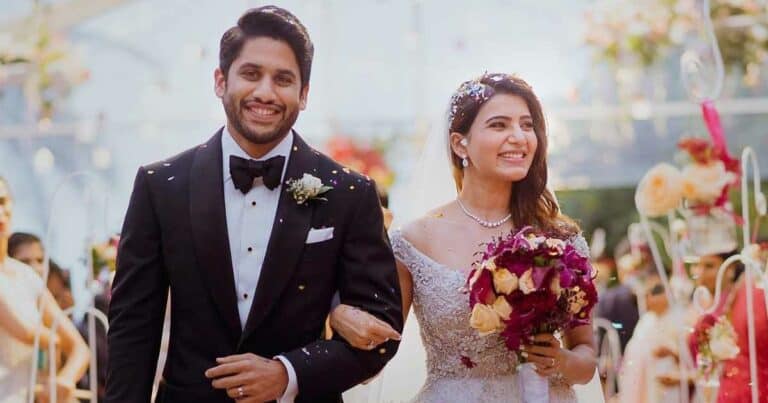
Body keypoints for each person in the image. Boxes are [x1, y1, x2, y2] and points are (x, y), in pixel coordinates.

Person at [105, 6, 403, 403]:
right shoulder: (160, 186)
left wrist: (288, 374)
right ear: (220, 81)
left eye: (283, 79)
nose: (265, 92)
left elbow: (382, 331)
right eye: (250, 74)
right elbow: (133, 326)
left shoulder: (349, 191)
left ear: (304, 94)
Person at [330, 74, 597, 402]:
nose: (518, 137)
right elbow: (373, 357)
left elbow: (586, 358)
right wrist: (338, 315)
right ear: (460, 144)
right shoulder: (413, 241)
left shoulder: (559, 240)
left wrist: (561, 360)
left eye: (527, 125)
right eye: (499, 125)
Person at [0, 177, 90, 403]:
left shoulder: (26, 276)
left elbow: (79, 348)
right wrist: (54, 340)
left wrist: (65, 379)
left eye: (2, 201)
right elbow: (25, 332)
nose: (0, 212)